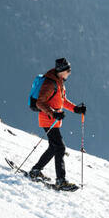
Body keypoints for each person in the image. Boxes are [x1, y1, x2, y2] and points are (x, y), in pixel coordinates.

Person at [28, 58, 87, 191]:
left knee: (53, 147)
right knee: (60, 147)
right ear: (61, 71)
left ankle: (36, 170)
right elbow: (40, 103)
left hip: (53, 120)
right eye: (68, 70)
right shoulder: (50, 83)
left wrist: (75, 109)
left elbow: (62, 101)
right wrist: (53, 113)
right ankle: (61, 180)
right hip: (48, 119)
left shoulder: (59, 82)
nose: (70, 73)